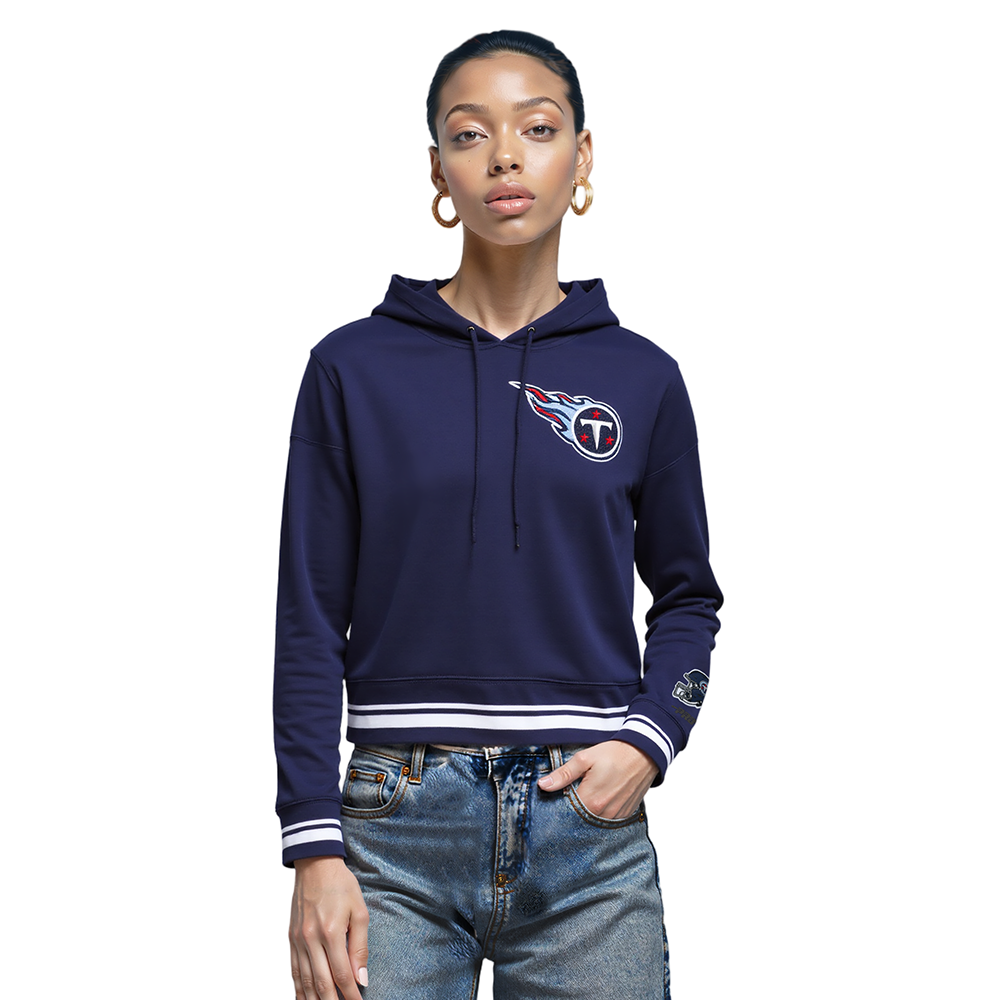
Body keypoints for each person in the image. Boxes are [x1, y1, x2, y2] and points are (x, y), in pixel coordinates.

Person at [272, 29, 723, 1000]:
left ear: (582, 157)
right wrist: (311, 840)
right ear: (439, 170)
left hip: (587, 840)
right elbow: (308, 615)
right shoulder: (352, 368)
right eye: (470, 134)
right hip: (391, 829)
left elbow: (688, 596)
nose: (505, 157)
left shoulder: (642, 378)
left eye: (538, 129)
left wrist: (649, 739)